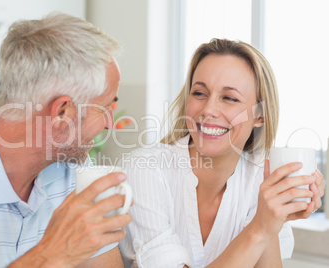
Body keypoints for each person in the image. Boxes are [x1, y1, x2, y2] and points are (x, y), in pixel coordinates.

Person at [0, 13, 132, 267]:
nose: (110, 124)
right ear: (62, 112)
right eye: (105, 109)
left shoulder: (73, 170)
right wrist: (52, 253)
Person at [119, 38, 325, 267]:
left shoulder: (260, 181)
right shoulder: (146, 170)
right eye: (199, 93)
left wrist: (274, 218)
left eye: (229, 98)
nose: (208, 110)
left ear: (260, 116)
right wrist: (260, 227)